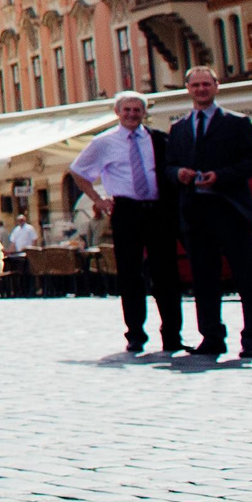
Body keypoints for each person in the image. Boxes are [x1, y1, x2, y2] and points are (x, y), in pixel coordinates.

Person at [68, 93, 183, 354]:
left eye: (137, 110)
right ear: (117, 112)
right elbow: (77, 170)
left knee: (166, 274)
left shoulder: (158, 139)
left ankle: (172, 334)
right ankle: (135, 334)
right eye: (127, 110)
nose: (132, 114)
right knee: (131, 275)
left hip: (157, 210)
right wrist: (97, 199)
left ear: (144, 112)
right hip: (126, 210)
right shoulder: (105, 142)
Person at [167, 64, 252, 360]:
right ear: (188, 89)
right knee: (204, 279)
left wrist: (221, 176)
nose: (201, 90)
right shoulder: (180, 127)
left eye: (206, 84)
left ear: (216, 86)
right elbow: (167, 167)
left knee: (246, 278)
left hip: (230, 210)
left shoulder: (236, 122)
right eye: (195, 85)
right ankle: (211, 336)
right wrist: (178, 174)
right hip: (196, 213)